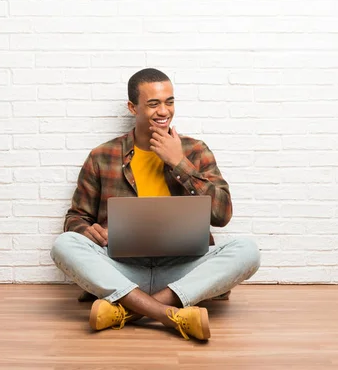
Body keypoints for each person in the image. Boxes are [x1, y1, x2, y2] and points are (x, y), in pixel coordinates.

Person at [51, 68, 260, 341]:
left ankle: (129, 310)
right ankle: (170, 314)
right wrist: (85, 230)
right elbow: (75, 217)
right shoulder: (102, 156)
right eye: (153, 104)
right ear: (132, 107)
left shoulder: (195, 151)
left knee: (248, 250)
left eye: (169, 102)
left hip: (181, 270)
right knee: (63, 245)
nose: (164, 111)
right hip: (123, 268)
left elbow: (222, 215)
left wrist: (179, 163)